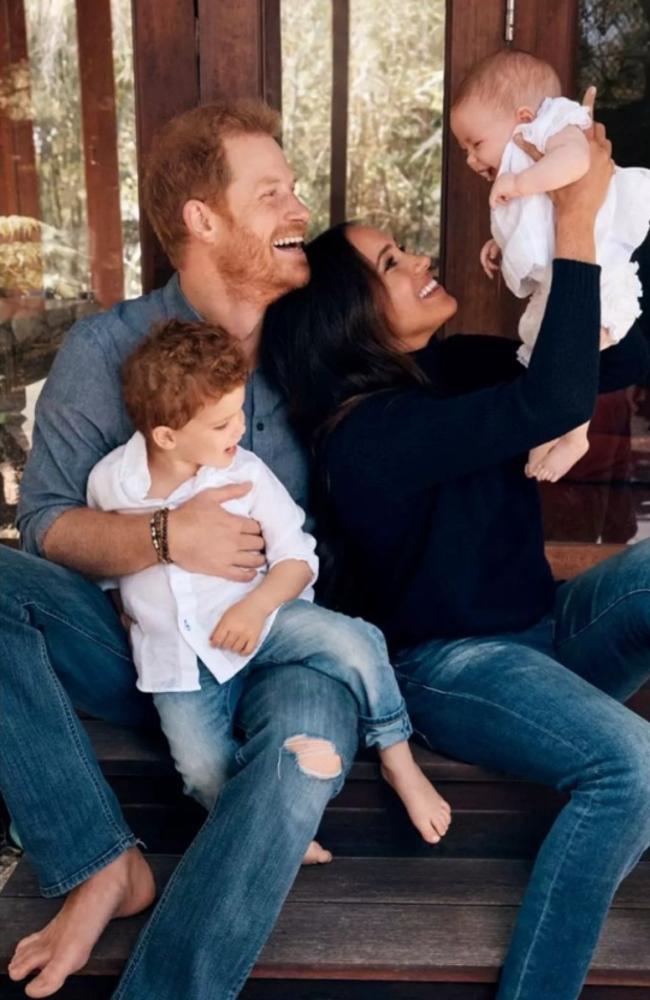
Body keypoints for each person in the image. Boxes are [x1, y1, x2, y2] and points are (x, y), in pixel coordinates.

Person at [261, 120, 650, 1000]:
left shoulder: (455, 367)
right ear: (348, 318)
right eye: (391, 264)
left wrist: (593, 228)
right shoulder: (363, 439)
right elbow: (552, 400)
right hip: (450, 668)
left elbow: (620, 353)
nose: (418, 261)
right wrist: (576, 217)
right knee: (631, 770)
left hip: (544, 632)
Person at [4, 99, 376, 1000]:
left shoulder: (312, 343)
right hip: (149, 654)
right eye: (272, 193)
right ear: (203, 221)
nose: (299, 212)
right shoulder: (107, 350)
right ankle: (99, 862)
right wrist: (169, 535)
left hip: (284, 644)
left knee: (298, 758)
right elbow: (48, 524)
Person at [87, 318, 451, 850]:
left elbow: (298, 559)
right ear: (166, 436)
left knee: (357, 641)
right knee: (199, 769)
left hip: (266, 617)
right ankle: (265, 825)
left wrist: (256, 608)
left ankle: (398, 758)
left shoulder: (247, 474)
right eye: (220, 424)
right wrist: (123, 604)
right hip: (179, 661)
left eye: (239, 412)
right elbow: (104, 561)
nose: (238, 430)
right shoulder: (111, 483)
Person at [450, 51, 650, 482]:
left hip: (598, 276)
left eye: (476, 143)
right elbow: (537, 223)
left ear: (523, 116)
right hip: (562, 281)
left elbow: (578, 163)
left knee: (573, 360)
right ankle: (543, 438)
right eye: (464, 148)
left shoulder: (553, 126)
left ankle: (575, 437)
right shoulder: (527, 162)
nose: (470, 159)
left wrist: (520, 182)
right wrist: (500, 243)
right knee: (548, 360)